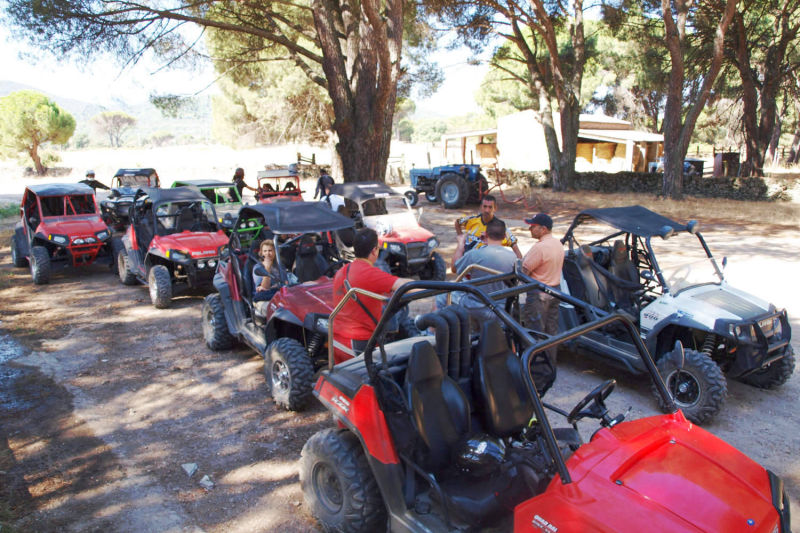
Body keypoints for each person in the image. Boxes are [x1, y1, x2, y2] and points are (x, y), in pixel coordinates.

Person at [332, 228, 414, 360]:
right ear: (374, 250)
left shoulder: (342, 271)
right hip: (360, 344)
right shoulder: (370, 274)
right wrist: (436, 288)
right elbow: (406, 286)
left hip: (336, 340)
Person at [438, 218, 518, 325]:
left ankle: (431, 333)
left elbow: (454, 268)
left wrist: (461, 244)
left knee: (441, 298)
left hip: (478, 306)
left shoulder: (474, 254)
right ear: (504, 237)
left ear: (485, 234)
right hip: (502, 307)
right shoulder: (513, 257)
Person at [520, 213, 564, 391]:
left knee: (534, 333)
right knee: (551, 332)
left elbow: (524, 270)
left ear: (543, 229)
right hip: (555, 291)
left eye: (533, 226)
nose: (530, 228)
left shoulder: (540, 248)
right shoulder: (557, 244)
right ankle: (549, 369)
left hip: (539, 294)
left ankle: (534, 376)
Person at [454, 195, 522, 258]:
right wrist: (462, 241)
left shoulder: (500, 226)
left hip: (487, 262)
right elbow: (457, 223)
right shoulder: (471, 219)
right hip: (468, 260)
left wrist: (519, 266)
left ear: (495, 208)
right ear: (481, 207)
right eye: (485, 206)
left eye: (490, 207)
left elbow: (514, 246)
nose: (487, 210)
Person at [253, 240, 283, 315]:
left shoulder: (280, 266)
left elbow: (286, 282)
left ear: (275, 252)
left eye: (270, 251)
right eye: (265, 251)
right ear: (261, 253)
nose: (267, 253)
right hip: (264, 299)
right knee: (279, 311)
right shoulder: (258, 267)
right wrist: (267, 268)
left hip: (279, 295)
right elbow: (264, 288)